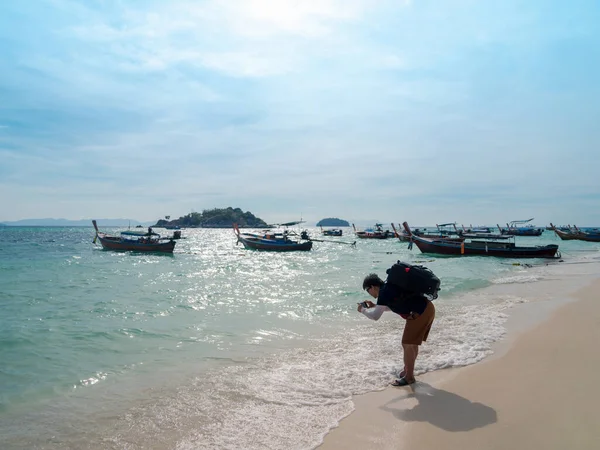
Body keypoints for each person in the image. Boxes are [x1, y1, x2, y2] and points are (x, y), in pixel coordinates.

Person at [358, 273, 435, 386]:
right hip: (427, 309)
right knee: (411, 344)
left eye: (368, 290)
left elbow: (375, 317)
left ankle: (409, 377)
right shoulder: (388, 288)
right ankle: (407, 370)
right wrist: (375, 306)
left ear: (373, 287)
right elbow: (395, 305)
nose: (369, 293)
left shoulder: (383, 293)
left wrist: (362, 311)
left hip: (419, 313)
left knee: (407, 344)